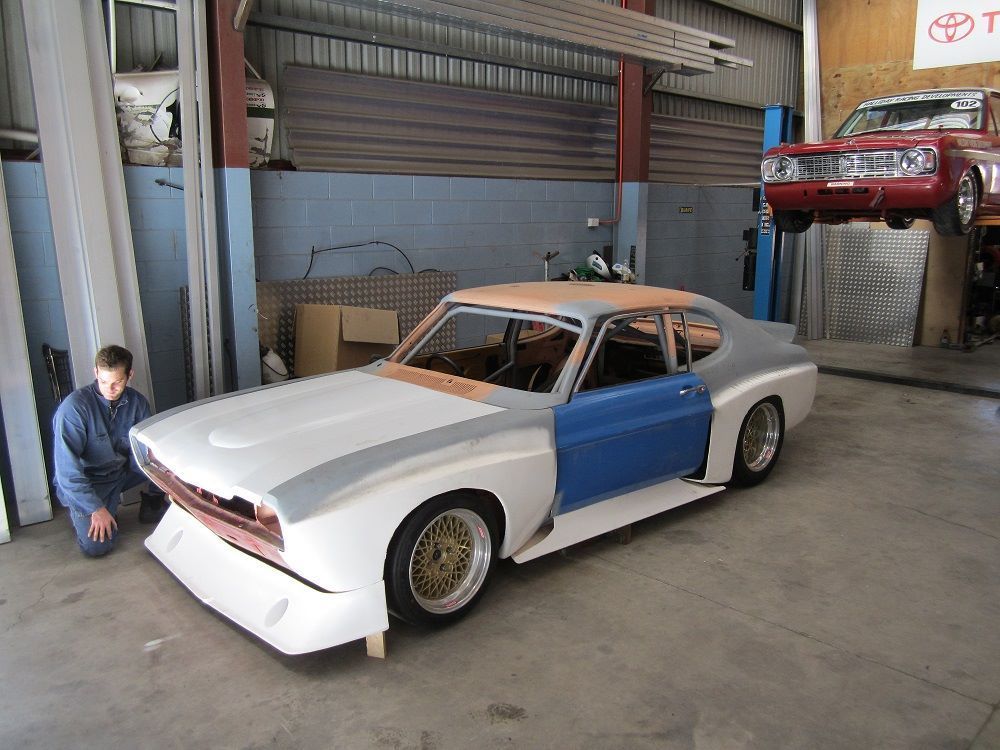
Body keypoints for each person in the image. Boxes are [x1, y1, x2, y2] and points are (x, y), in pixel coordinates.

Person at [52, 344, 166, 557]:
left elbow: (146, 453)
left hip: (119, 473)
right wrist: (95, 508)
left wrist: (165, 484)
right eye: (103, 381)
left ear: (129, 375)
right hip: (87, 480)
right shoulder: (74, 408)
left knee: (163, 458)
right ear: (96, 373)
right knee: (97, 547)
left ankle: (152, 502)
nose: (109, 389)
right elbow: (67, 472)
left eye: (117, 382)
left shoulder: (138, 403)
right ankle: (86, 509)